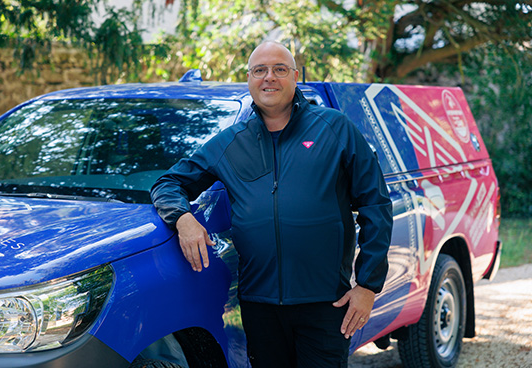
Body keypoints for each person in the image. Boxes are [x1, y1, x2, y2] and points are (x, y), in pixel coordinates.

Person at [151, 41, 393, 367]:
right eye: (259, 70)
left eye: (279, 70)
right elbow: (168, 183)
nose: (269, 78)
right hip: (259, 306)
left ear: (295, 76)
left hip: (326, 303)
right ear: (249, 79)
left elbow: (375, 204)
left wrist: (367, 285)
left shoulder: (335, 128)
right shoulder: (230, 142)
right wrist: (182, 219)